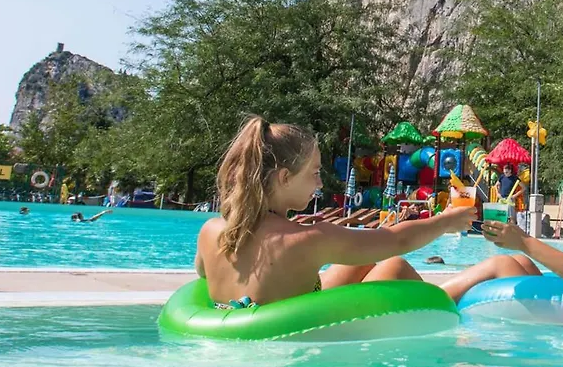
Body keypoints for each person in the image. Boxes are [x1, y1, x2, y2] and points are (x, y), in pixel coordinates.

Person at [194, 116, 474, 309]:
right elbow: (397, 240)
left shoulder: (210, 231)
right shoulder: (309, 239)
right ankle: (445, 311)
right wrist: (445, 221)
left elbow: (205, 273)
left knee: (361, 261)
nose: (319, 184)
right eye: (314, 173)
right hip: (291, 348)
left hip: (236, 341)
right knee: (395, 266)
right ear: (284, 178)